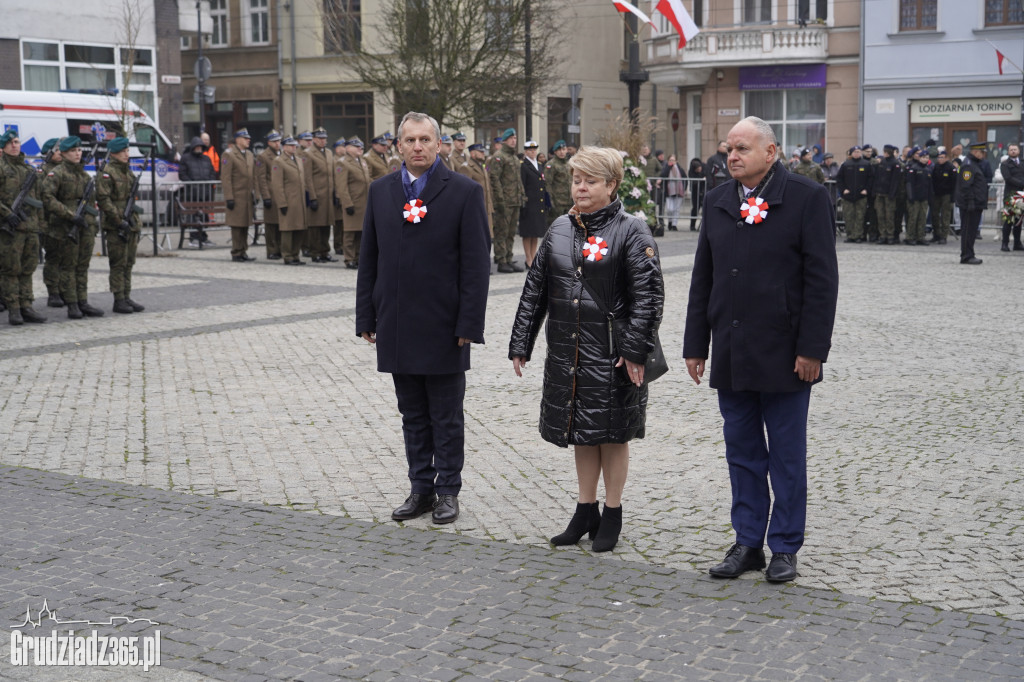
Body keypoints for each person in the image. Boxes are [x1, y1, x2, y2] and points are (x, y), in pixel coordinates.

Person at [683, 116, 839, 583]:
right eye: (729, 147)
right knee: (742, 451)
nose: (732, 155)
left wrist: (812, 349)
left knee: (786, 455)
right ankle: (747, 541)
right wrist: (696, 344)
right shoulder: (716, 201)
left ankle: (785, 546)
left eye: (743, 148)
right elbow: (702, 279)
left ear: (771, 152)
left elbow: (821, 281)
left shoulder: (807, 198)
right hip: (732, 348)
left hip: (787, 352)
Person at [509, 145, 664, 553]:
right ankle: (585, 508)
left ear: (611, 185)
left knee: (612, 433)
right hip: (568, 352)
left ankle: (612, 511)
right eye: (577, 179)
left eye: (590, 181)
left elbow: (648, 298)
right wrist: (520, 342)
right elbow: (535, 291)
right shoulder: (559, 228)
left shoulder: (632, 230)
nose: (580, 187)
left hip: (611, 353)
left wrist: (633, 352)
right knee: (580, 431)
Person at [356, 111, 491, 525]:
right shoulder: (380, 191)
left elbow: (476, 265)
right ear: (399, 146)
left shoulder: (464, 191)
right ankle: (421, 488)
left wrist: (469, 324)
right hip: (397, 323)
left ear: (438, 145)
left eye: (425, 140)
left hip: (444, 326)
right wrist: (367, 315)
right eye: (410, 140)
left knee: (445, 414)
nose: (418, 147)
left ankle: (448, 490)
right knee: (412, 413)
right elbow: (369, 258)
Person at [40, 136, 104, 319]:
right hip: (65, 228)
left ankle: (83, 301)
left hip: (84, 227)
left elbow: (91, 203)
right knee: (68, 266)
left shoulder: (84, 175)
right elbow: (47, 198)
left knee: (82, 266)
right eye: (73, 151)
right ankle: (72, 304)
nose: (78, 154)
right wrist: (69, 215)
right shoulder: (57, 173)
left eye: (79, 150)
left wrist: (91, 224)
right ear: (65, 154)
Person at [0, 130, 47, 325]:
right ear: (3, 147)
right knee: (11, 269)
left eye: (17, 142)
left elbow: (38, 199)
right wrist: (7, 213)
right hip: (10, 228)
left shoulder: (28, 170)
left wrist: (41, 225)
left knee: (28, 268)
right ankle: (14, 309)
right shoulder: (2, 168)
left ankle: (27, 305)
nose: (14, 145)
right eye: (10, 143)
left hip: (30, 227)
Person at [96, 136, 145, 314]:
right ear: (115, 153)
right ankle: (118, 299)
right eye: (124, 151)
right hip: (116, 224)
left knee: (129, 262)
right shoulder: (107, 172)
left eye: (127, 151)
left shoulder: (127, 171)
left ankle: (126, 295)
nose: (127, 154)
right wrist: (119, 220)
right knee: (118, 263)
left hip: (130, 223)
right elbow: (104, 199)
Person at [488, 128, 526, 273]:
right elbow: (494, 179)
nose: (513, 141)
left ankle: (509, 258)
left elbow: (518, 180)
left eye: (515, 138)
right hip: (504, 201)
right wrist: (500, 200)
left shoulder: (515, 158)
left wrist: (522, 195)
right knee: (501, 232)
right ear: (504, 140)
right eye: (511, 138)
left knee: (511, 233)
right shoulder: (499, 157)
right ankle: (501, 260)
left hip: (514, 200)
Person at [220, 128, 257, 262]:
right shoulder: (229, 155)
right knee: (237, 226)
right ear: (238, 140)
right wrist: (229, 197)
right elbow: (226, 178)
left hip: (246, 196)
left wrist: (254, 194)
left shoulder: (249, 154)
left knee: (245, 224)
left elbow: (252, 176)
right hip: (236, 196)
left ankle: (243, 251)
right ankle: (236, 252)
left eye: (248, 138)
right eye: (245, 138)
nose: (248, 140)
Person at [270, 137, 307, 266]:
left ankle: (295, 254)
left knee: (299, 229)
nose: (294, 148)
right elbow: (277, 185)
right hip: (288, 200)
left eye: (295, 145)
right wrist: (282, 203)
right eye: (291, 145)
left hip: (299, 201)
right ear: (284, 146)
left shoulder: (298, 160)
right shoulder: (279, 161)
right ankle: (287, 255)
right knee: (288, 229)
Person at [303, 127, 338, 263]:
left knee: (326, 225)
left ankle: (325, 251)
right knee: (315, 226)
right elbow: (308, 177)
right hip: (317, 195)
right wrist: (312, 197)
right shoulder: (308, 154)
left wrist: (335, 192)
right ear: (314, 140)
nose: (323, 141)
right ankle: (315, 252)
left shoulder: (329, 153)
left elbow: (332, 174)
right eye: (320, 138)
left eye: (325, 138)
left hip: (328, 196)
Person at [336, 136, 371, 269]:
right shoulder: (343, 163)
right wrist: (347, 204)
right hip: (352, 203)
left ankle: (358, 257)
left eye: (361, 147)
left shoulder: (361, 161)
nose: (360, 149)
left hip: (364, 203)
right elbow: (342, 186)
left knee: (361, 233)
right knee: (350, 233)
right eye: (357, 147)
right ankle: (349, 258)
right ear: (348, 148)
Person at [38, 138, 65, 308]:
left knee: (65, 258)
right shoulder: (42, 173)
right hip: (49, 221)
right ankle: (53, 292)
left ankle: (64, 289)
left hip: (63, 220)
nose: (61, 154)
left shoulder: (64, 170)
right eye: (57, 151)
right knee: (53, 258)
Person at [178, 135, 218, 247]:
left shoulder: (206, 158)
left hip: (205, 193)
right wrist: (192, 184)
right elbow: (182, 174)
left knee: (204, 217)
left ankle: (203, 238)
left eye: (201, 147)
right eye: (197, 146)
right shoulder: (186, 158)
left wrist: (209, 182)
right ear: (193, 147)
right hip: (192, 194)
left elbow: (212, 172)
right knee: (193, 216)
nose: (199, 148)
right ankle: (193, 238)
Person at [956, 142, 991, 265]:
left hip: (976, 203)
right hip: (970, 204)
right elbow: (966, 186)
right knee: (968, 230)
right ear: (975, 152)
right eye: (982, 152)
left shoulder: (974, 164)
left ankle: (970, 253)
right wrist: (970, 201)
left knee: (971, 230)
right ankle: (966, 256)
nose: (983, 155)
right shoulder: (968, 165)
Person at [518, 140, 548, 268]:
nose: (533, 152)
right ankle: (528, 258)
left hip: (538, 203)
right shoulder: (524, 166)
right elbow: (522, 185)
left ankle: (533, 255)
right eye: (530, 150)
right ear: (525, 151)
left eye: (534, 150)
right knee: (528, 232)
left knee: (535, 232)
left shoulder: (539, 165)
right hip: (529, 203)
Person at [254, 130, 283, 259]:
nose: (278, 144)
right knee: (271, 225)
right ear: (269, 142)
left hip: (281, 193)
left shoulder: (281, 154)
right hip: (271, 194)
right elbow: (262, 178)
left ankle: (280, 248)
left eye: (279, 141)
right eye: (275, 141)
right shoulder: (263, 156)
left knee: (281, 224)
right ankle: (272, 250)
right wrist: (265, 196)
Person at [837, 146, 872, 242]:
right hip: (848, 196)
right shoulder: (846, 164)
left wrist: (866, 190)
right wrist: (843, 189)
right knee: (849, 216)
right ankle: (850, 235)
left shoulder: (866, 164)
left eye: (858, 152)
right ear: (851, 153)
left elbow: (870, 179)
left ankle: (858, 236)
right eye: (855, 152)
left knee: (860, 217)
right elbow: (839, 179)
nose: (857, 153)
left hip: (861, 195)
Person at [457, 142, 494, 237]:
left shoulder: (482, 166)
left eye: (483, 151)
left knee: (486, 239)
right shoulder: (466, 167)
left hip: (485, 208)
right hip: (475, 210)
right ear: (472, 153)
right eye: (480, 151)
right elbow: (464, 192)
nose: (483, 153)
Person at [873, 144, 902, 245]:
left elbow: (895, 181)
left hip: (889, 194)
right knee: (880, 215)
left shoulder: (895, 163)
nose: (884, 153)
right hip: (880, 193)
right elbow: (877, 178)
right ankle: (882, 235)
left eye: (885, 151)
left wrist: (892, 193)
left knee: (889, 216)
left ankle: (890, 236)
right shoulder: (882, 162)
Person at [904, 147, 932, 246]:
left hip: (923, 198)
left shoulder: (928, 170)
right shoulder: (914, 168)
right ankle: (910, 237)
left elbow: (929, 186)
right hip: (914, 198)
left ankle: (920, 237)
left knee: (922, 218)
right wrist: (911, 196)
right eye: (923, 157)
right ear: (919, 158)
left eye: (927, 157)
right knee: (913, 218)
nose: (925, 159)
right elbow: (909, 184)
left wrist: (930, 197)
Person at [999, 143, 1024, 251]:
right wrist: (1021, 183)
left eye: (1015, 149)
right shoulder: (1005, 164)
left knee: (1018, 221)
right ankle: (1005, 244)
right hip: (1010, 195)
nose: (1013, 151)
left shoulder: (1022, 163)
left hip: (1021, 195)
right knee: (1009, 220)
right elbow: (1008, 178)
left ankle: (1017, 243)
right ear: (1008, 152)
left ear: (1019, 151)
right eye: (1011, 150)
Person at [545, 140, 572, 219]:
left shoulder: (569, 164)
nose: (561, 152)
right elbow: (548, 184)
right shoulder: (551, 165)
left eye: (563, 149)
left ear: (566, 150)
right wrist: (551, 202)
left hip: (569, 201)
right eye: (559, 150)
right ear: (555, 152)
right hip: (557, 202)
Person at [658, 154, 684, 230]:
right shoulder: (666, 168)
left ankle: (674, 224)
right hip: (669, 192)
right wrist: (669, 167)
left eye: (673, 160)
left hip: (678, 192)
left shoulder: (679, 169)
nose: (672, 162)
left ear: (676, 161)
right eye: (670, 160)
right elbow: (663, 175)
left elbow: (684, 177)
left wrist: (684, 188)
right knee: (670, 209)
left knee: (676, 209)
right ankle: (670, 221)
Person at [687, 158, 705, 232]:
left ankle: (704, 226)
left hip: (704, 190)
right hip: (695, 192)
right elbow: (693, 180)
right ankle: (692, 225)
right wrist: (701, 178)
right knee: (695, 208)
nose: (699, 170)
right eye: (697, 169)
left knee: (704, 209)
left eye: (700, 168)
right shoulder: (691, 171)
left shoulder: (704, 167)